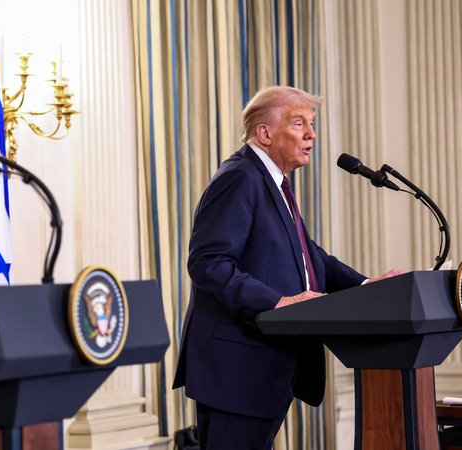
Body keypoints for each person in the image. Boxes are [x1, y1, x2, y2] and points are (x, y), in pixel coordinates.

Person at [172, 86, 402, 449]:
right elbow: (208, 263)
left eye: (311, 124)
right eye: (299, 123)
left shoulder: (274, 184)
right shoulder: (240, 177)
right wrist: (278, 302)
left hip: (263, 370)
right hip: (237, 372)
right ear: (264, 133)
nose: (312, 134)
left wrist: (369, 286)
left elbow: (313, 260)